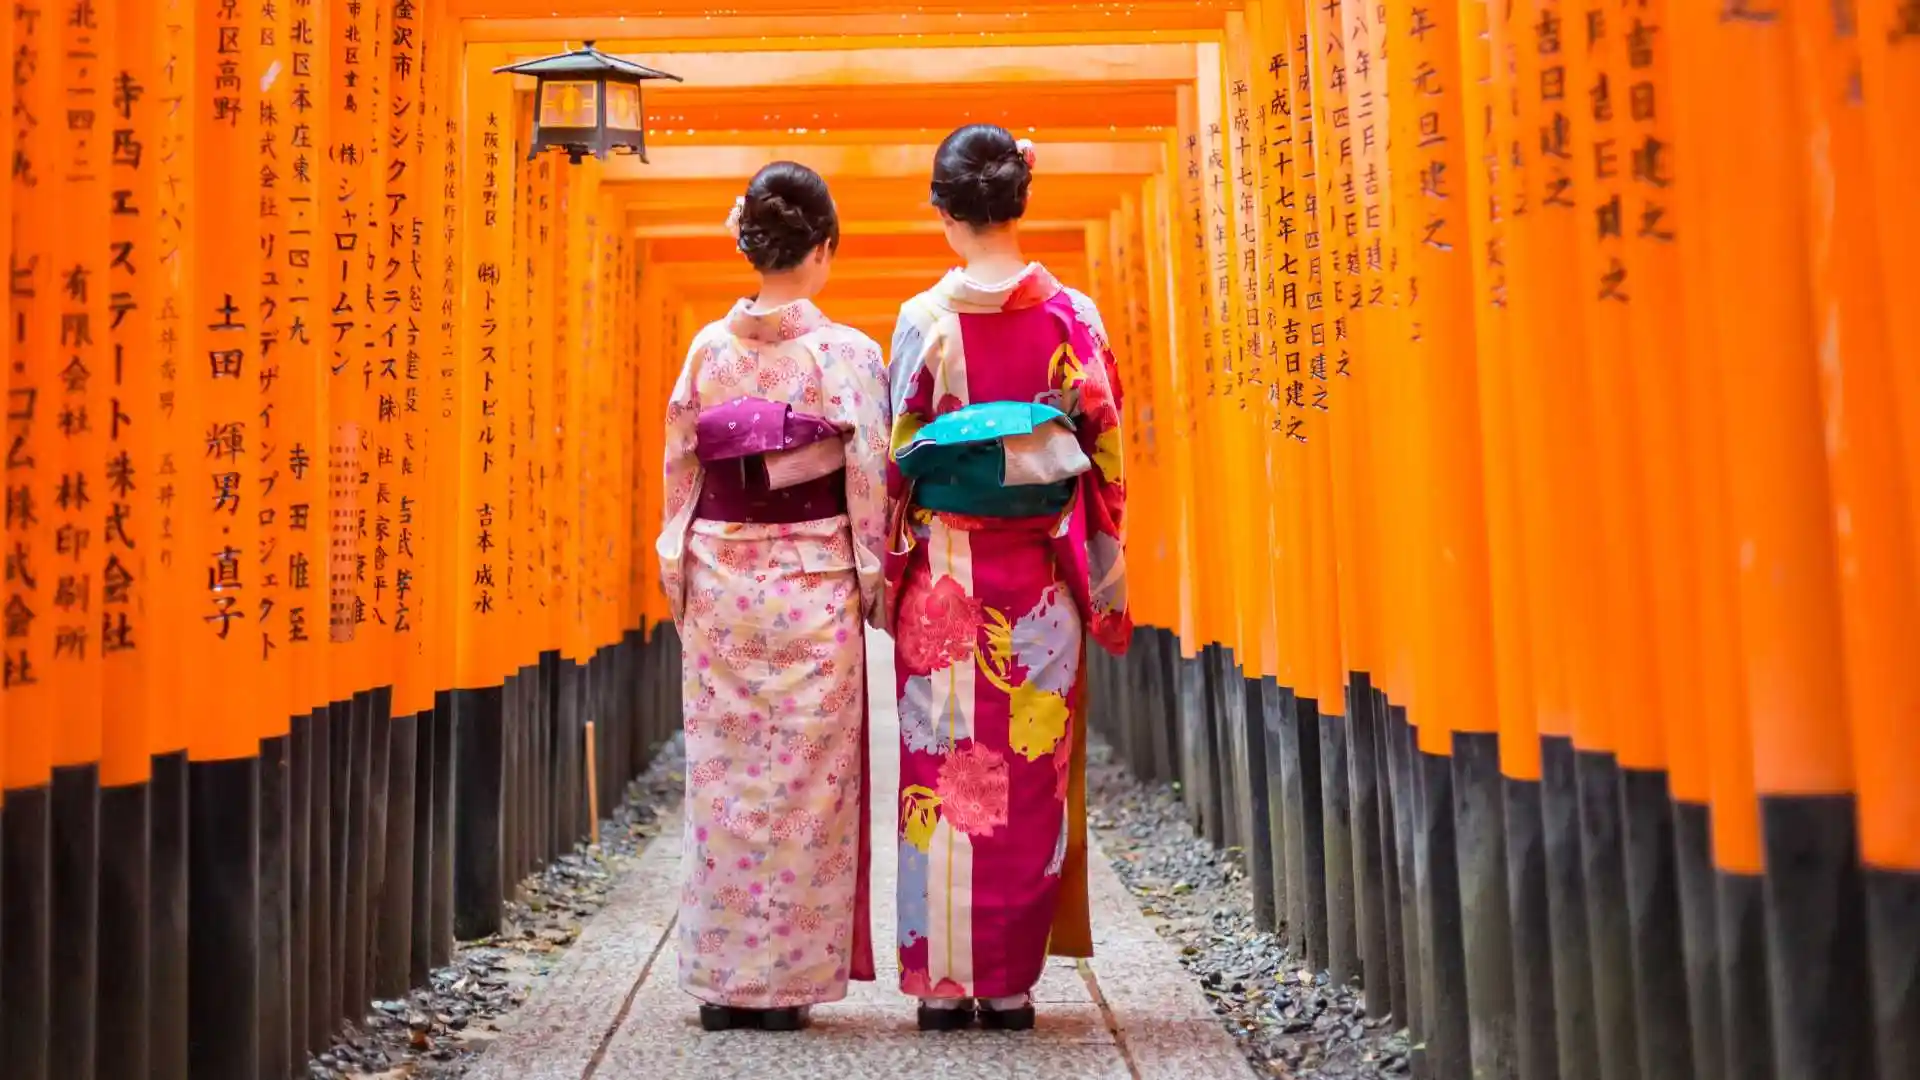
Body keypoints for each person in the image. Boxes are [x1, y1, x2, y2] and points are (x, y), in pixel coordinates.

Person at [885, 124, 1131, 1032]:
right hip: (1037, 584)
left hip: (946, 579)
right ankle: (1009, 984)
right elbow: (1104, 460)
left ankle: (940, 982)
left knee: (940, 765)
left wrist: (888, 565)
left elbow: (896, 457)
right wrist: (1103, 569)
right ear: (1021, 199)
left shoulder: (923, 321)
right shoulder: (1074, 317)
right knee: (1027, 775)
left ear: (943, 210)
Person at [657, 161, 891, 1033]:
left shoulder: (707, 351)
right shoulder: (848, 355)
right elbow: (869, 480)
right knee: (804, 782)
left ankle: (724, 983)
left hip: (722, 579)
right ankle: (784, 985)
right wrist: (873, 581)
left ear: (750, 245)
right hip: (811, 580)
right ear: (823, 248)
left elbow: (681, 476)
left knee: (723, 780)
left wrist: (680, 575)